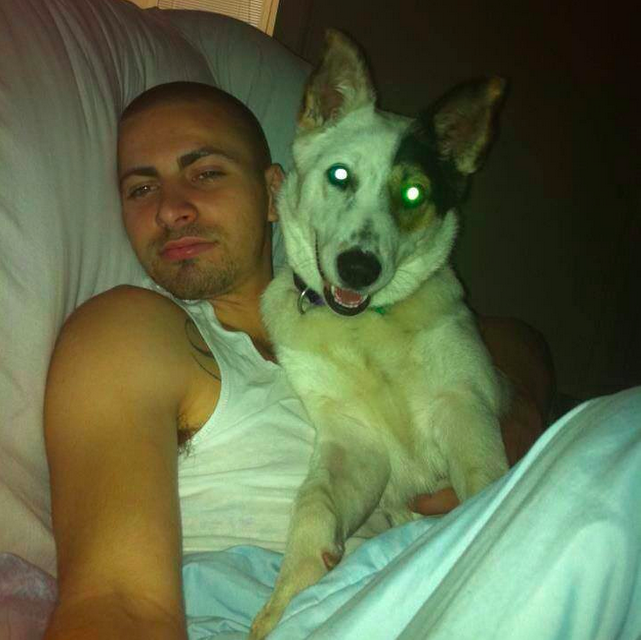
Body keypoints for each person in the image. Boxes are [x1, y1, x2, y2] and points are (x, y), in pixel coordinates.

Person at [43, 82, 554, 639]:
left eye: (206, 172)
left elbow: (502, 337)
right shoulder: (130, 329)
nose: (172, 208)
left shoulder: (355, 313)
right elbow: (117, 604)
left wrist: (515, 398)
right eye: (141, 188)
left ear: (272, 192)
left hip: (422, 586)